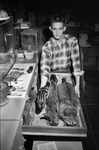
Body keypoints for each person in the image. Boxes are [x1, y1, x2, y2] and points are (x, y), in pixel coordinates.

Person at [37, 14, 84, 114]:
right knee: (51, 105)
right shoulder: (47, 46)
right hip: (52, 75)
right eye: (54, 29)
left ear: (64, 28)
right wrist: (42, 89)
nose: (57, 32)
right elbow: (45, 69)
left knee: (70, 105)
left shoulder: (73, 41)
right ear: (50, 28)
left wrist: (77, 84)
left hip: (67, 74)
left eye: (60, 29)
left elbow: (76, 64)